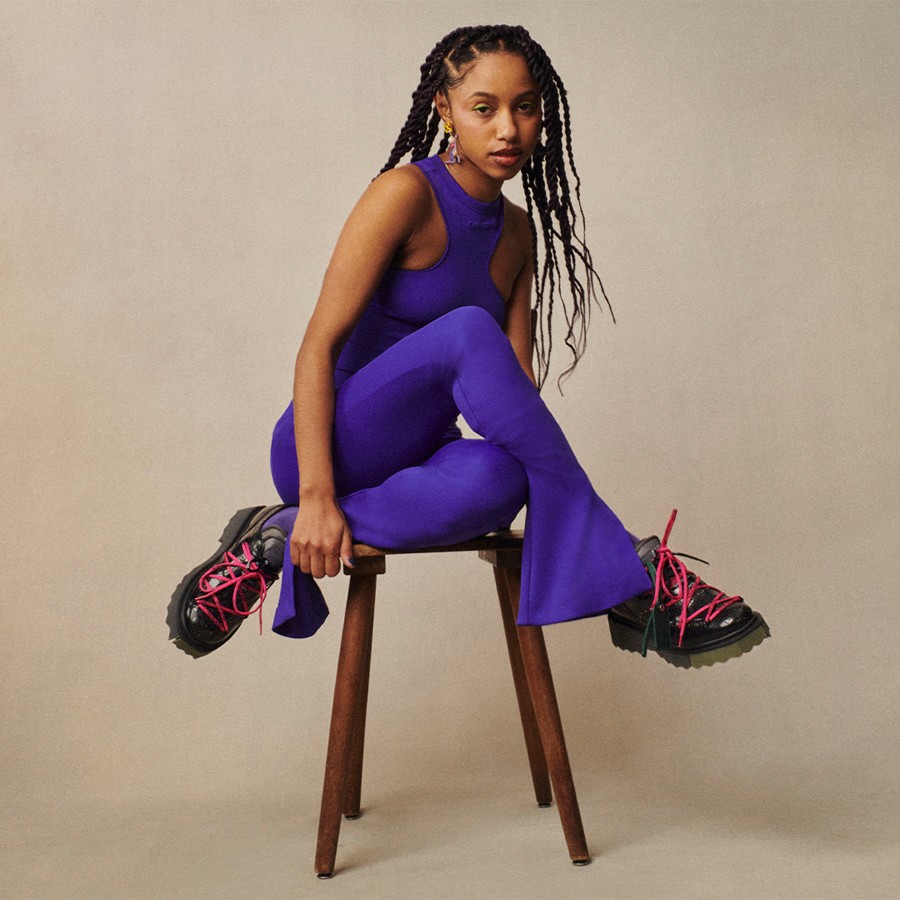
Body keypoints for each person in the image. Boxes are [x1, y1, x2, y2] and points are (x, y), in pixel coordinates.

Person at [167, 24, 769, 669]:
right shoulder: (404, 194)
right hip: (328, 447)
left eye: (525, 107)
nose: (508, 128)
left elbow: (515, 393)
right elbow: (316, 348)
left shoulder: (518, 234)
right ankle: (632, 569)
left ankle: (272, 536)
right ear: (446, 110)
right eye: (484, 108)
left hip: (418, 464)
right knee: (466, 330)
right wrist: (315, 497)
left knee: (508, 475)